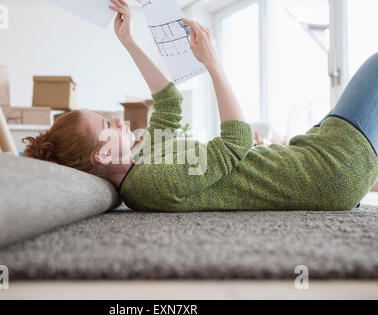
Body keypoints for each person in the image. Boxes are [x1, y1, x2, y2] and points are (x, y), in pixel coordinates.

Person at [23, 0, 378, 211]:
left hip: (309, 159)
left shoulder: (142, 161)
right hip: (326, 172)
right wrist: (214, 64)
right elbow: (235, 143)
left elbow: (169, 104)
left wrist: (128, 39)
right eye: (106, 125)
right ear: (101, 157)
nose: (118, 121)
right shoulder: (148, 184)